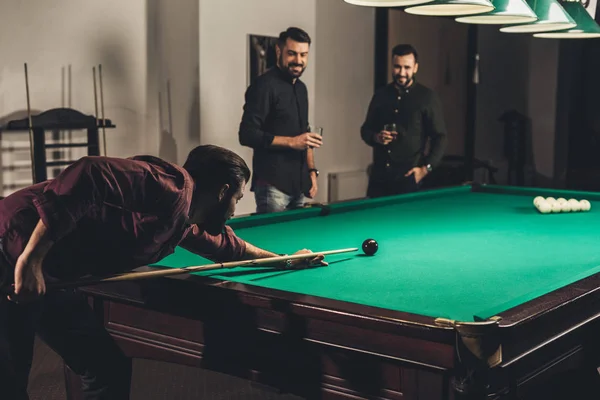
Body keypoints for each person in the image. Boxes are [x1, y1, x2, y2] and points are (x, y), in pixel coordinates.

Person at [0, 145, 325, 400]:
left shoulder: (182, 223)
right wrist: (31, 260)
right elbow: (89, 173)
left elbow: (231, 247)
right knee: (10, 384)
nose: (234, 211)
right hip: (8, 254)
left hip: (51, 274)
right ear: (223, 191)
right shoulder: (169, 187)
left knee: (105, 368)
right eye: (237, 199)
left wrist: (283, 260)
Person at [239, 27, 322, 214]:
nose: (298, 61)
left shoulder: (301, 88)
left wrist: (312, 172)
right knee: (274, 242)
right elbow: (247, 134)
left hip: (299, 185)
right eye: (292, 53)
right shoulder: (263, 86)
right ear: (279, 51)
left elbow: (305, 133)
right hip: (272, 186)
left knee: (298, 240)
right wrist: (292, 142)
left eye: (303, 54)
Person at [360, 44, 447, 198]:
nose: (401, 73)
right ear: (392, 67)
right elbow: (366, 130)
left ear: (415, 68)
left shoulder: (427, 97)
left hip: (409, 178)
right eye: (397, 67)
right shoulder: (381, 95)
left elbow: (440, 137)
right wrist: (377, 137)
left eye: (407, 67)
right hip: (379, 179)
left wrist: (425, 169)